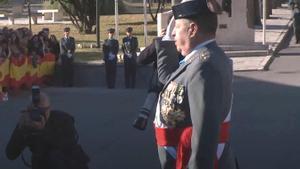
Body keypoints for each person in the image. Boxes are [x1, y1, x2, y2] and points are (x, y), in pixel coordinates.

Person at [153, 1, 236, 169]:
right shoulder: (201, 58)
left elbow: (205, 134)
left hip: (187, 157)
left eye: (177, 27)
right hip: (180, 154)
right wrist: (168, 40)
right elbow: (167, 78)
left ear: (192, 29)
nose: (174, 33)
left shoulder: (203, 67)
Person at [6, 91, 90, 169]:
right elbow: (10, 154)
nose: (37, 115)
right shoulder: (27, 123)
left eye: (41, 111)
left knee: (55, 156)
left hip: (70, 163)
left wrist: (42, 130)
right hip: (42, 163)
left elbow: (66, 146)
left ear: (49, 109)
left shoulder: (63, 119)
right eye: (33, 111)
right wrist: (20, 130)